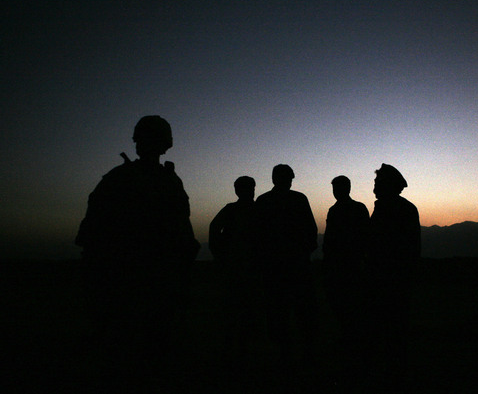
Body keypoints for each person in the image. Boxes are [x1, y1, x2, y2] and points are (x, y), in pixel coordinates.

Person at [76, 115, 200, 388]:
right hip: (127, 282)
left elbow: (183, 230)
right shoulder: (121, 179)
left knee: (151, 350)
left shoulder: (166, 180)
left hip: (157, 281)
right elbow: (92, 235)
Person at [254, 164, 319, 373]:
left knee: (280, 314)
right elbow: (311, 231)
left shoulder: (264, 201)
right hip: (293, 267)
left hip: (278, 268)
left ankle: (286, 355)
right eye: (288, 178)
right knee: (298, 313)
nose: (289, 182)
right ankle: (299, 356)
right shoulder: (296, 199)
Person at [365, 163, 420, 391]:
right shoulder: (396, 208)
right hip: (389, 281)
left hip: (390, 281)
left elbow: (405, 249)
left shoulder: (395, 209)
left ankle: (393, 375)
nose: (374, 186)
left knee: (391, 331)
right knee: (390, 331)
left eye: (377, 183)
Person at [208, 176, 262, 374]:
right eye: (246, 188)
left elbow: (214, 228)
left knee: (246, 316)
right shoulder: (237, 209)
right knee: (236, 315)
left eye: (250, 188)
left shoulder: (256, 210)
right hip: (238, 271)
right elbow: (214, 229)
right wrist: (220, 254)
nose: (249, 191)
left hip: (251, 272)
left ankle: (241, 356)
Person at [322, 175, 370, 387]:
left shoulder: (349, 210)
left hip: (349, 268)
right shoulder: (352, 209)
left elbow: (364, 238)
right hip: (345, 268)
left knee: (349, 309)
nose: (335, 191)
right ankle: (352, 348)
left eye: (337, 188)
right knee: (346, 309)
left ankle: (352, 350)